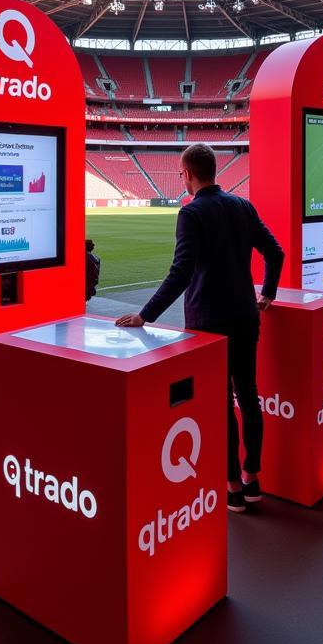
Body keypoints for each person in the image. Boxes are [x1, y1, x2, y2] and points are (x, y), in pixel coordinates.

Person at [115, 143, 284, 514]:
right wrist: (267, 293)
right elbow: (276, 252)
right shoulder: (242, 206)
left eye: (180, 174)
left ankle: (231, 486)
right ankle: (252, 477)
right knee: (249, 396)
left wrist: (146, 315)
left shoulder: (191, 213)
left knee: (221, 404)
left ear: (188, 174)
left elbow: (181, 272)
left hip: (208, 322)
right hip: (245, 315)